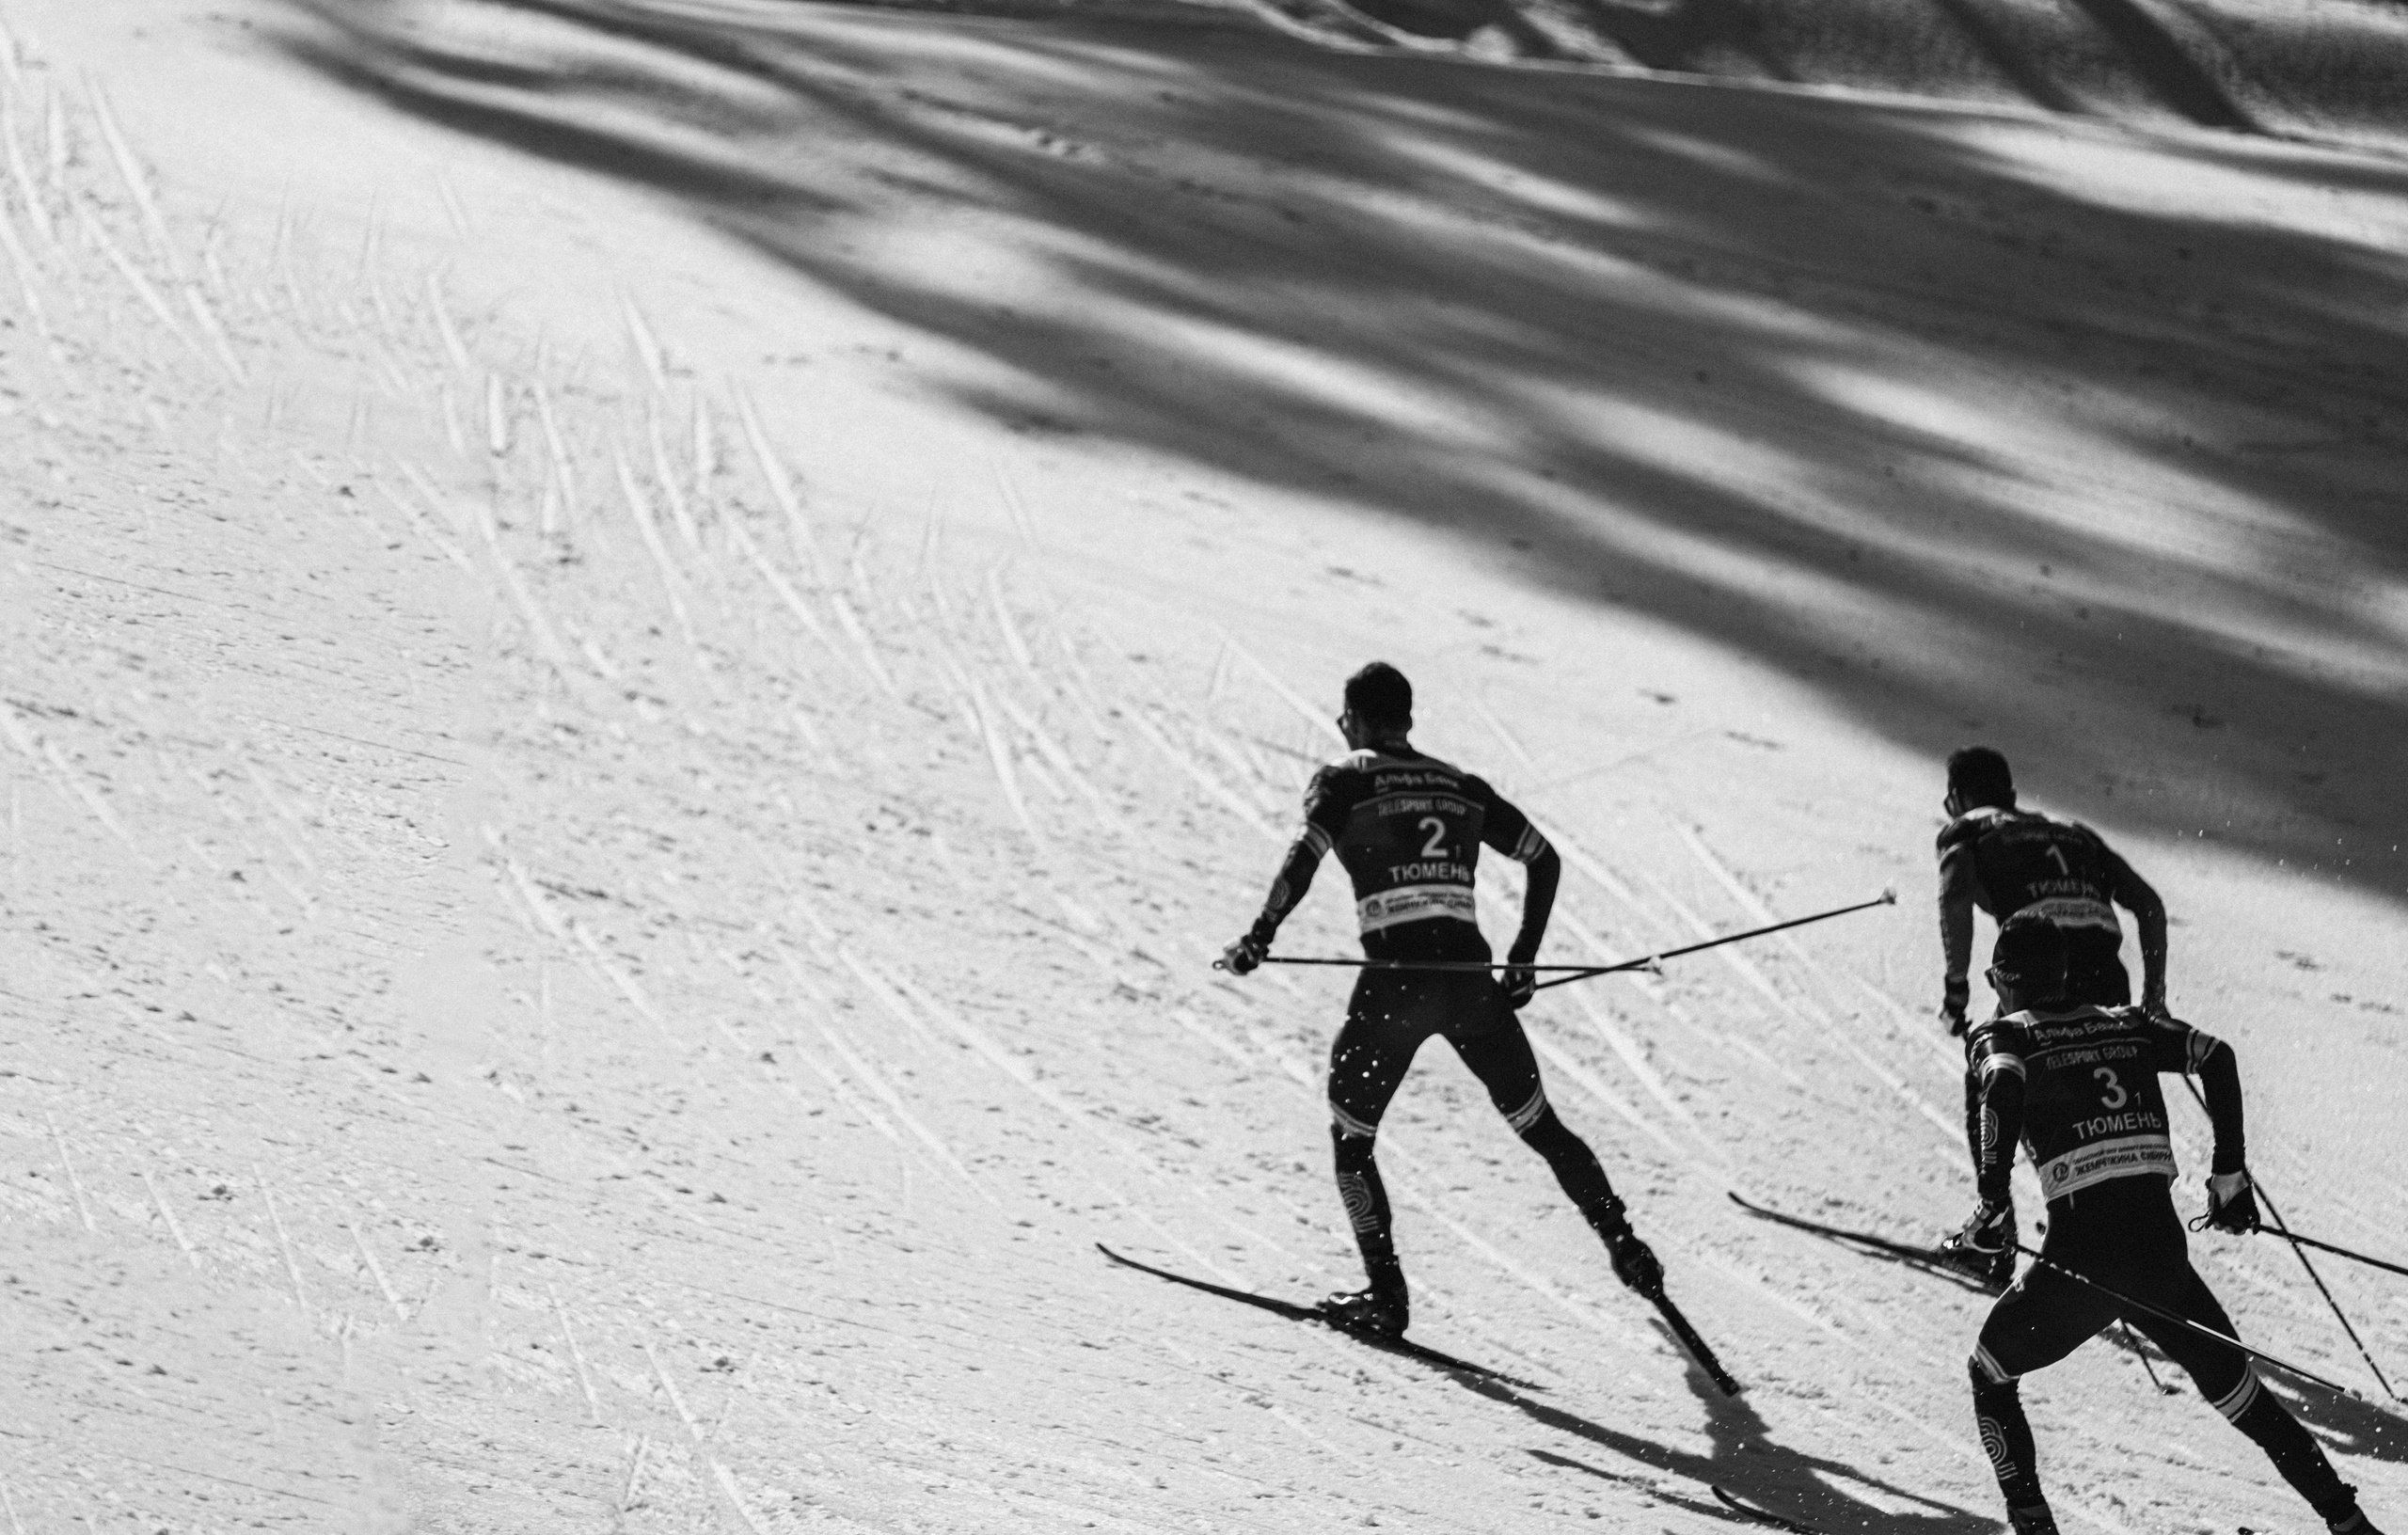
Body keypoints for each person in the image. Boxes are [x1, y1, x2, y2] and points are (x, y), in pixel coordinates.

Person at [1218, 662, 1660, 1338]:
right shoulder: (1460, 785)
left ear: (1355, 720)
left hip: (1395, 986)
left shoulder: (1344, 779)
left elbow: (1301, 858)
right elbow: (1543, 857)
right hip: (1469, 985)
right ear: (1408, 720)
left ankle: (1386, 1296)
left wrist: (1259, 936)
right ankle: (1624, 1242)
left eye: (1344, 717)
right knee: (1541, 1126)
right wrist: (1522, 958)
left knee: (1351, 1138)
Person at [1950, 913, 2383, 1535]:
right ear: (2064, 975)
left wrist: (1992, 1201)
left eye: (1994, 978)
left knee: (1989, 1374)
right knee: (2247, 1400)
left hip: (2083, 1265)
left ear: (2006, 979)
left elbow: (2001, 1084)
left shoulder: (2004, 1034)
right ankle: (2350, 1523)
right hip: (2161, 1262)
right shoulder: (2127, 1022)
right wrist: (2228, 1175)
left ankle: (2034, 1526)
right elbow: (2216, 1056)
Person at [1936, 746, 2168, 1288]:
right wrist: (2153, 999)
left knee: (1996, 1083)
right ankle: (2124, 1242)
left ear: (1956, 799)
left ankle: (1994, 1236)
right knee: (2095, 1100)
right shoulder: (2074, 832)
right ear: (2013, 795)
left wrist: (1956, 987)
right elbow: (2149, 905)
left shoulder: (1968, 828)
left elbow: (1954, 896)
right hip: (2107, 978)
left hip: (2038, 970)